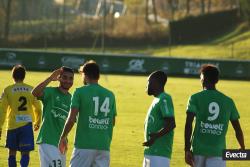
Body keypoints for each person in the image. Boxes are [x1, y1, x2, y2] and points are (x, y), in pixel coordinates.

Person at [184, 64, 245, 167]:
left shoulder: (195, 98)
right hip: (218, 152)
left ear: (203, 78)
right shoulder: (228, 101)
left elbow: (188, 124)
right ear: (216, 80)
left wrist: (187, 149)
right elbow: (237, 128)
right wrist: (242, 147)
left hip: (198, 151)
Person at [59, 60, 117, 167]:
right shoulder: (110, 95)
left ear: (84, 75)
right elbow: (112, 122)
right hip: (103, 146)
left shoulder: (79, 92)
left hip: (84, 146)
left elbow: (71, 119)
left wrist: (63, 137)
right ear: (98, 76)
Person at [0, 65, 41, 167]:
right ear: (24, 76)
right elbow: (38, 108)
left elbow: (2, 110)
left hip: (12, 125)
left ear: (12, 76)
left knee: (12, 152)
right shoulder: (31, 90)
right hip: (26, 126)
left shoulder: (7, 90)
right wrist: (37, 121)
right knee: (25, 153)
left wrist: (0, 126)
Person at [32, 66, 74, 167]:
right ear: (59, 78)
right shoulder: (50, 92)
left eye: (71, 78)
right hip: (47, 140)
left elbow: (71, 122)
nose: (68, 81)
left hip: (61, 144)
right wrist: (50, 78)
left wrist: (64, 138)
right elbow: (34, 92)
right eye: (65, 77)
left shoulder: (72, 99)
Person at [143, 70, 176, 167]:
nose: (146, 85)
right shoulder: (157, 99)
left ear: (156, 83)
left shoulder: (164, 98)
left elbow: (171, 123)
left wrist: (156, 136)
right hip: (151, 152)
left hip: (159, 154)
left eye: (148, 82)